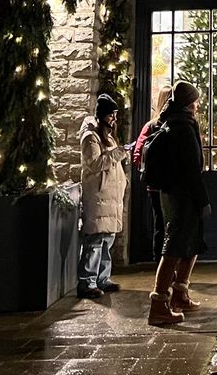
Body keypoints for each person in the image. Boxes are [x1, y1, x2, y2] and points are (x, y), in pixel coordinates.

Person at [149, 81, 209, 326]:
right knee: (173, 246)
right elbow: (192, 169)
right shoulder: (182, 127)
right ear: (188, 102)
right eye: (195, 100)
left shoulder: (171, 122)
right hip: (182, 195)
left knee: (190, 242)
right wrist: (203, 201)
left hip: (173, 192)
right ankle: (159, 303)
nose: (197, 104)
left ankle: (179, 294)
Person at [78, 93, 128, 299]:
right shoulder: (91, 138)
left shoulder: (108, 136)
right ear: (101, 116)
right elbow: (96, 164)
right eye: (111, 115)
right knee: (95, 241)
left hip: (111, 197)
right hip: (98, 196)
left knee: (107, 240)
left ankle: (102, 278)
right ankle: (87, 282)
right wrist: (119, 153)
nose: (114, 120)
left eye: (115, 115)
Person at [133, 86, 172, 260]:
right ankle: (166, 265)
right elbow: (138, 154)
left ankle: (160, 263)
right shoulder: (162, 125)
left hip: (155, 184)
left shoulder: (150, 126)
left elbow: (137, 155)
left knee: (160, 225)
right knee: (167, 225)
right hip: (168, 184)